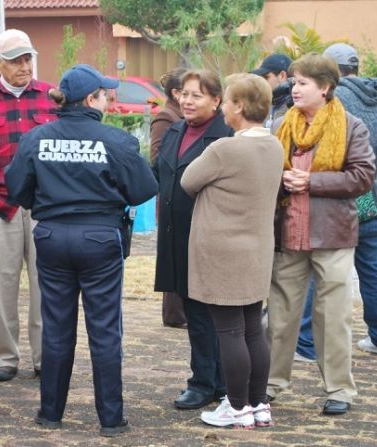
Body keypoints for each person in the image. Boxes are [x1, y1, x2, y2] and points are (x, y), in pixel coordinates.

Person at [5, 64, 157, 437]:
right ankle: (111, 419)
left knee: (56, 327)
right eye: (105, 93)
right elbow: (143, 188)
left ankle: (50, 413)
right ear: (91, 99)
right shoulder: (114, 140)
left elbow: (17, 188)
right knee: (105, 330)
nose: (108, 98)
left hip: (52, 236)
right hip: (100, 238)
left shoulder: (36, 137)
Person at [267, 53, 375, 416]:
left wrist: (311, 182)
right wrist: (280, 181)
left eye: (302, 83)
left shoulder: (351, 126)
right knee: (279, 315)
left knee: (333, 316)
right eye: (294, 82)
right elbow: (266, 172)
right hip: (289, 232)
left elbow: (362, 178)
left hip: (332, 235)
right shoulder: (281, 125)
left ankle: (340, 390)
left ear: (326, 88)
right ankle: (269, 384)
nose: (294, 88)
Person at [180, 73, 283, 428]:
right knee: (253, 327)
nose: (222, 107)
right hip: (257, 249)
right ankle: (258, 405)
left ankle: (236, 407)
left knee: (230, 331)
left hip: (222, 251)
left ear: (239, 106)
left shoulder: (225, 148)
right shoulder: (274, 145)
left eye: (226, 101)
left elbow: (188, 180)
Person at [294, 44, 377, 362]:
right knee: (372, 269)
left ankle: (305, 343)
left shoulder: (336, 99)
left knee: (317, 266)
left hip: (344, 199)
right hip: (374, 197)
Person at [0, 29, 55, 382]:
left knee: (44, 283)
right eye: (16, 59)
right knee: (1, 286)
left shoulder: (51, 98)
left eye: (28, 57)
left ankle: (45, 356)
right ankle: (5, 357)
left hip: (43, 205)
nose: (24, 65)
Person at [153, 69, 231, 410]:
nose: (187, 100)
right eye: (184, 93)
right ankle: (207, 380)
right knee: (193, 311)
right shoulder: (173, 131)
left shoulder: (226, 136)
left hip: (211, 235)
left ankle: (216, 382)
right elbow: (157, 173)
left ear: (216, 100)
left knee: (213, 314)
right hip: (176, 234)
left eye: (196, 95)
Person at [150, 67, 187, 329]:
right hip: (171, 194)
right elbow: (157, 158)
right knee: (172, 253)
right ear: (176, 93)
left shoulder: (182, 115)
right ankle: (174, 315)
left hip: (182, 193)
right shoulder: (166, 116)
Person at [251, 53, 293, 127]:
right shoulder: (263, 106)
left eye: (266, 77)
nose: (262, 82)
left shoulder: (296, 107)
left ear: (282, 76)